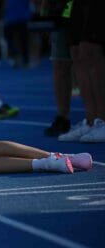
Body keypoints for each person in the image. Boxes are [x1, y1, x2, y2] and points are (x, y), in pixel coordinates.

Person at [57, 0, 105, 143]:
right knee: (76, 52)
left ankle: (102, 119)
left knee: (91, 49)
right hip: (74, 3)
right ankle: (91, 120)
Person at [41, 0, 73, 137]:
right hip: (61, 10)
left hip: (85, 8)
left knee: (87, 58)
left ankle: (96, 118)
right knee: (60, 63)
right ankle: (63, 117)